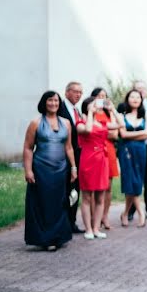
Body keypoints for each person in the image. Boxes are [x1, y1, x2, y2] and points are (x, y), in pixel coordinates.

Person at [23, 91, 76, 249]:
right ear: (44, 103)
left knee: (59, 204)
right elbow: (27, 148)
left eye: (56, 100)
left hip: (61, 170)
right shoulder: (36, 123)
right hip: (41, 170)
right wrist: (28, 170)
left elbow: (69, 147)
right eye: (50, 100)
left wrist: (73, 167)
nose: (53, 103)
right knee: (42, 203)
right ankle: (44, 239)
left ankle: (58, 237)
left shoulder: (66, 123)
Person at [76, 95, 120, 239]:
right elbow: (88, 130)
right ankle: (88, 229)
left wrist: (112, 109)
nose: (97, 106)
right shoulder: (80, 123)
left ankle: (96, 228)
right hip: (88, 160)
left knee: (100, 196)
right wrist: (89, 113)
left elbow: (121, 124)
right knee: (87, 197)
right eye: (93, 104)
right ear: (87, 107)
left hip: (102, 160)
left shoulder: (102, 123)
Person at [120, 81, 147, 221]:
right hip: (130, 150)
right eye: (137, 89)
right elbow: (122, 131)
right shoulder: (124, 108)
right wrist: (142, 134)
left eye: (143, 89)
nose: (140, 91)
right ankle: (130, 211)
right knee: (133, 179)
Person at [118, 89, 147, 227]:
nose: (135, 99)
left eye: (138, 97)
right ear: (127, 99)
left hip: (141, 151)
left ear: (141, 100)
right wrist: (140, 133)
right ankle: (141, 213)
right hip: (126, 151)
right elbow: (123, 135)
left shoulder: (145, 116)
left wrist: (132, 134)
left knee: (137, 181)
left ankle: (125, 213)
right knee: (129, 180)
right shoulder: (121, 115)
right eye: (132, 96)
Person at [90, 87, 119, 230]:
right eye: (99, 96)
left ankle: (105, 216)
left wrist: (112, 110)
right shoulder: (90, 113)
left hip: (110, 151)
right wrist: (105, 132)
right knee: (94, 187)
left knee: (107, 186)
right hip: (96, 150)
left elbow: (114, 134)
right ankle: (93, 217)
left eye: (105, 96)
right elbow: (92, 132)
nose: (102, 98)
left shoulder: (108, 114)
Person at [57, 81, 84, 233]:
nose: (78, 95)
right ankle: (62, 223)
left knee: (75, 189)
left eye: (80, 92)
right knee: (64, 190)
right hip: (62, 157)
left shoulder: (77, 110)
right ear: (67, 92)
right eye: (75, 91)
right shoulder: (59, 108)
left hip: (77, 156)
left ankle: (71, 222)